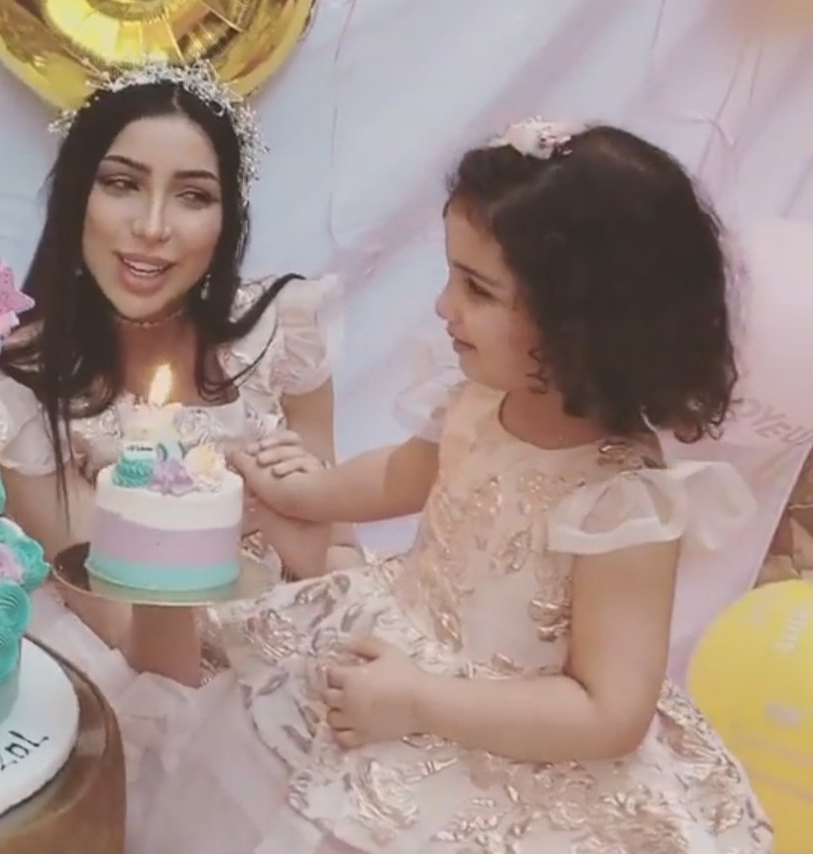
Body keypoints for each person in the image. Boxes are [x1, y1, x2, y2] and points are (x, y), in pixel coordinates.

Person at [121, 121, 772, 853]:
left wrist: (423, 702)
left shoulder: (621, 501)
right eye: (451, 275)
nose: (442, 307)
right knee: (250, 752)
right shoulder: (479, 400)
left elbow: (608, 711)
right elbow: (403, 474)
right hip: (400, 638)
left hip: (505, 731)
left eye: (478, 289)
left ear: (584, 322)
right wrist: (307, 495)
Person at [0, 62, 358, 672]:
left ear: (227, 218)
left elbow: (342, 559)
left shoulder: (283, 333)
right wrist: (184, 525)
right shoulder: (22, 399)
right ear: (77, 196)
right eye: (121, 184)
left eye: (193, 196)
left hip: (312, 663)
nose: (152, 227)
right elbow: (143, 654)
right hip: (162, 688)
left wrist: (311, 546)